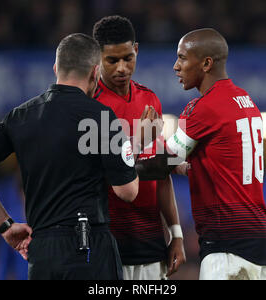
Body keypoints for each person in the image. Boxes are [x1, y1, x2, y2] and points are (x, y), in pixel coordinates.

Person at [0, 33, 140, 280]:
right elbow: (127, 191)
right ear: (95, 73)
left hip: (42, 252)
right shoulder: (101, 117)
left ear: (56, 68)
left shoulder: (20, 116)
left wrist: (5, 226)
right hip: (88, 249)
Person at [136, 28, 266, 280]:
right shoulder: (246, 101)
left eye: (183, 58)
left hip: (227, 244)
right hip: (259, 241)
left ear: (206, 63)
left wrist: (139, 142)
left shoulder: (204, 107)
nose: (176, 66)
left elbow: (158, 167)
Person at [92, 15, 186, 280]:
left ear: (137, 50)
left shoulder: (149, 99)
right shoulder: (89, 105)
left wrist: (176, 233)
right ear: (96, 57)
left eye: (128, 58)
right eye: (112, 60)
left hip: (152, 246)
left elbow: (160, 173)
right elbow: (96, 177)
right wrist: (138, 141)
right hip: (107, 247)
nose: (122, 68)